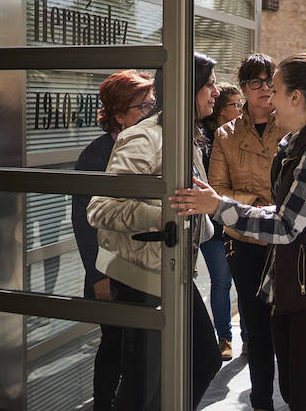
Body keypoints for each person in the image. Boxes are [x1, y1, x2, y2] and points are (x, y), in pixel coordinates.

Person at [171, 53, 306, 410]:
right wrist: (227, 203)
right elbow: (283, 211)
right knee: (295, 394)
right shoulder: (296, 143)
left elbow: (287, 225)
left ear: (296, 97)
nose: (268, 98)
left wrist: (219, 206)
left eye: (274, 90)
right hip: (296, 287)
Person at [87, 53, 223, 411]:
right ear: (188, 89)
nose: (216, 92)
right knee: (141, 386)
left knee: (200, 362)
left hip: (170, 272)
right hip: (140, 279)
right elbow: (101, 208)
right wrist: (166, 215)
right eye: (209, 84)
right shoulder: (145, 138)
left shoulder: (184, 135)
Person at [71, 69, 154, 411]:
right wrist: (98, 276)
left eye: (154, 104)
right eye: (143, 107)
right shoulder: (96, 155)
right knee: (115, 345)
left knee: (140, 348)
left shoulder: (149, 145)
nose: (151, 113)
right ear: (118, 114)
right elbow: (84, 223)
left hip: (142, 267)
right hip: (111, 270)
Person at [208, 53, 284, 411]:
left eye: (270, 81)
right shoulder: (225, 135)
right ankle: (261, 400)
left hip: (285, 241)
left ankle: (298, 395)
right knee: (254, 326)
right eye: (256, 82)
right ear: (243, 88)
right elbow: (216, 190)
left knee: (287, 324)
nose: (265, 89)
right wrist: (255, 202)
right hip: (244, 243)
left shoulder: (289, 127)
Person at [199, 82, 245, 360]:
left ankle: (250, 336)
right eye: (235, 105)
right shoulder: (202, 139)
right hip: (213, 223)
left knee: (243, 280)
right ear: (220, 109)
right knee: (221, 281)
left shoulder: (242, 136)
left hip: (239, 217)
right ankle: (224, 338)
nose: (240, 110)